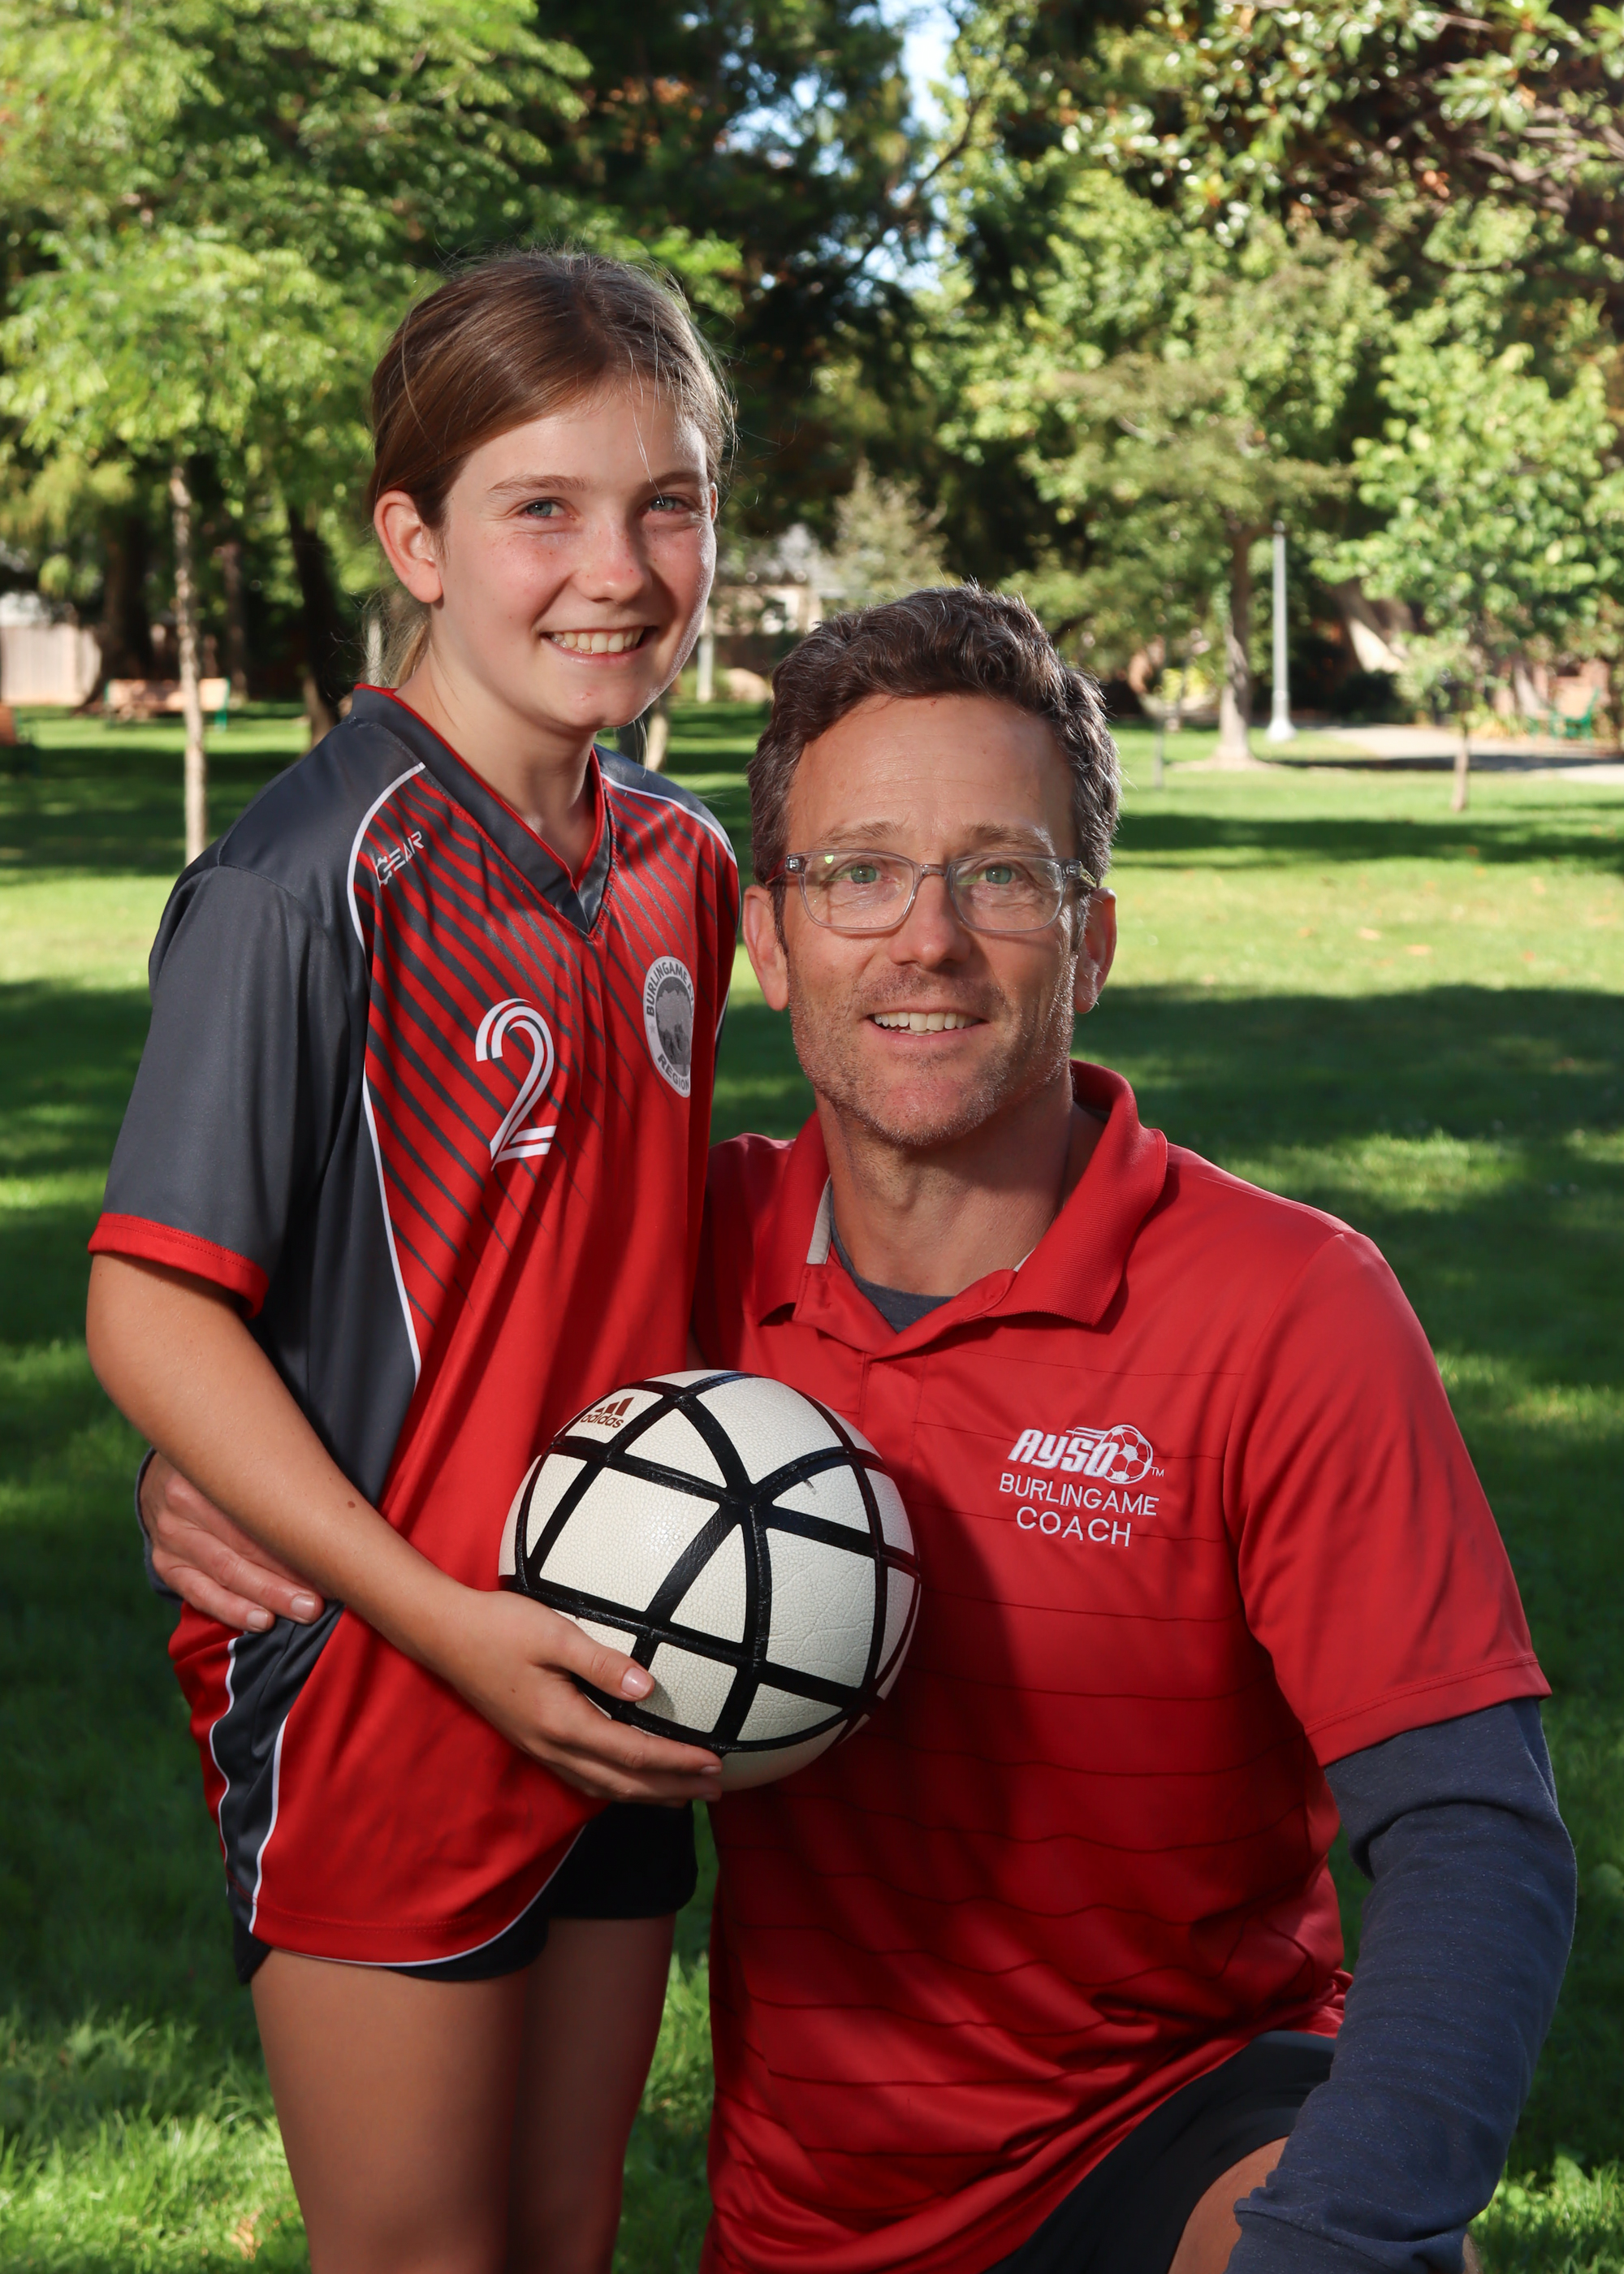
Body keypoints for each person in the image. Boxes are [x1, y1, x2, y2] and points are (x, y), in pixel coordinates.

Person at [144, 588, 1576, 2274]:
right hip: (817, 2210)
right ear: (767, 940)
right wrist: (210, 1471)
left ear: (1093, 941)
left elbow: (1472, 1833)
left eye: (1002, 875)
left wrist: (1333, 2232)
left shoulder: (1288, 1307)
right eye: (859, 873)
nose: (928, 939)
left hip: (1180, 2123)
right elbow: (392, 1363)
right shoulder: (679, 1263)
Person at [86, 252, 736, 2274]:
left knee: (561, 2233)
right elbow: (152, 1301)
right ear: (416, 541)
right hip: (389, 1683)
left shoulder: (683, 868)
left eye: (666, 504)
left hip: (622, 1658)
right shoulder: (307, 880)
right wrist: (441, 1618)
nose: (614, 569)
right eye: (542, 508)